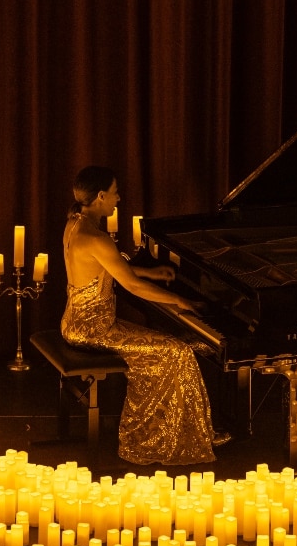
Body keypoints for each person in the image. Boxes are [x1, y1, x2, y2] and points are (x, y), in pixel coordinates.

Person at [61, 166, 227, 465]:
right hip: (95, 331)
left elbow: (107, 267)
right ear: (100, 196)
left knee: (172, 349)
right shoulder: (97, 238)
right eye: (115, 193)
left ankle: (195, 430)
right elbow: (132, 286)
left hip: (74, 324)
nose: (119, 199)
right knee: (177, 351)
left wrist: (151, 272)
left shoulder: (74, 224)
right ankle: (150, 439)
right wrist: (180, 300)